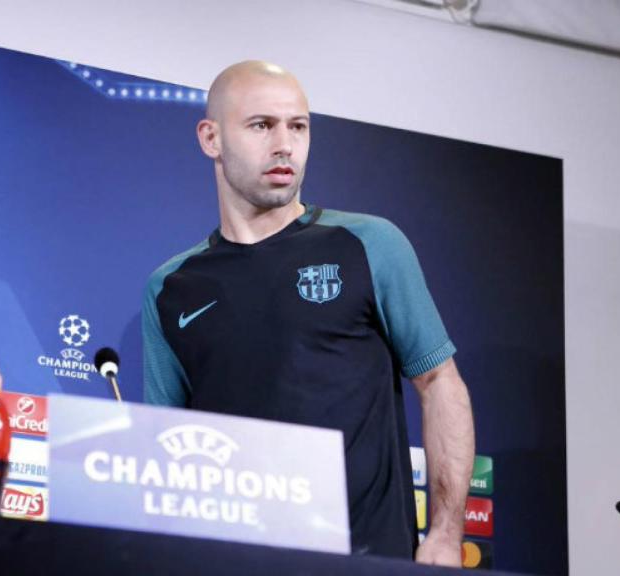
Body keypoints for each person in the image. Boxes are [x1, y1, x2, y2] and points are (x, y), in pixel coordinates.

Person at [142, 60, 474, 566]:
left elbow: (440, 382)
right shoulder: (171, 288)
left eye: (298, 126)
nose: (284, 145)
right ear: (211, 138)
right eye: (261, 125)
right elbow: (165, 447)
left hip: (366, 559)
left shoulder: (369, 243)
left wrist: (446, 534)